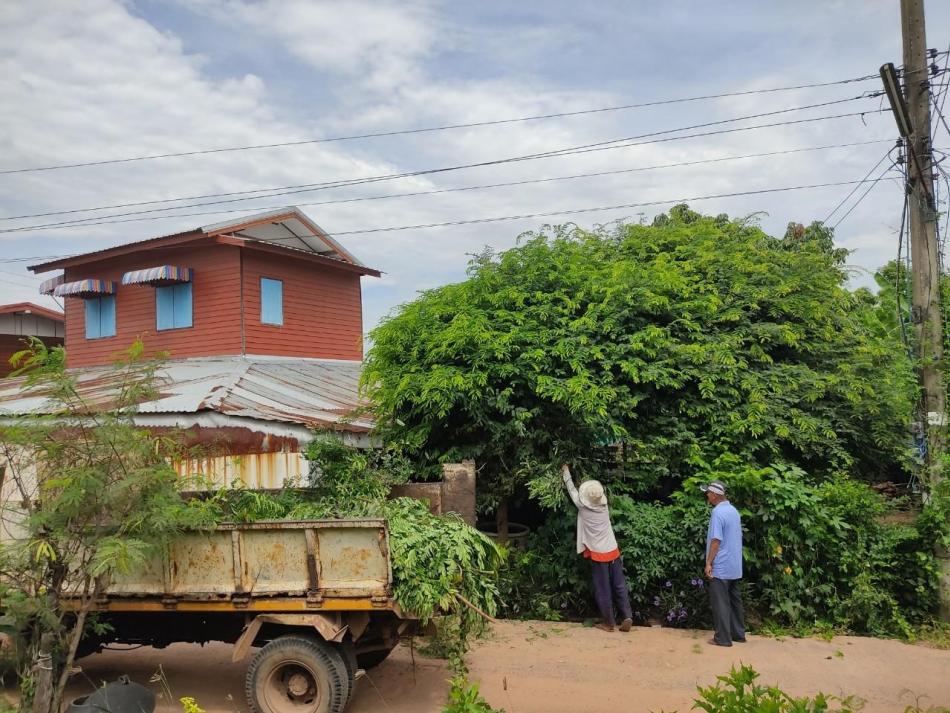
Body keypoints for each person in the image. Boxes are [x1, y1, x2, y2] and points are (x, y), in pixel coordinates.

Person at [561, 464, 633, 632]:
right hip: (613, 550)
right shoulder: (604, 506)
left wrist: (566, 472)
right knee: (619, 585)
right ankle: (627, 616)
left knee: (603, 588)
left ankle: (609, 623)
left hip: (599, 554)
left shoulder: (582, 506)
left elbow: (572, 490)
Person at [701, 479, 746, 647]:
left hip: (721, 565)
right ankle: (738, 634)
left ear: (714, 495)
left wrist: (709, 563)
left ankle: (723, 638)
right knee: (735, 601)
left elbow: (716, 540)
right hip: (735, 565)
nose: (707, 495)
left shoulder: (718, 513)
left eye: (708, 493)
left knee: (720, 603)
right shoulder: (734, 511)